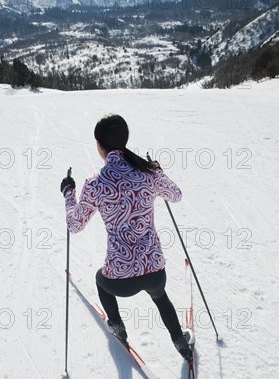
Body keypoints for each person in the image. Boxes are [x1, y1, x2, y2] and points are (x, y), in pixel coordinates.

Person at [60, 114, 194, 361]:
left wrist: (69, 193)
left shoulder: (96, 184)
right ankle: (180, 343)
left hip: (120, 282)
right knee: (161, 297)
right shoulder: (147, 174)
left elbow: (74, 225)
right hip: (155, 271)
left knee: (100, 279)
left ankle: (118, 328)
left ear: (100, 145)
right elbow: (175, 195)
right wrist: (158, 172)